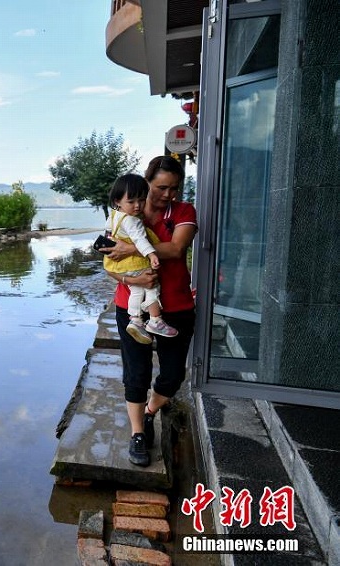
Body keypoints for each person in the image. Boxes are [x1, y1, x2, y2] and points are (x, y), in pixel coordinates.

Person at [101, 156, 197, 467]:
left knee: (172, 375)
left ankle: (151, 410)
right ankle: (138, 433)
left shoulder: (183, 212)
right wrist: (132, 277)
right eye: (161, 188)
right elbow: (108, 264)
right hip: (131, 306)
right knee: (136, 373)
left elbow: (178, 248)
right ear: (147, 182)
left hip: (177, 305)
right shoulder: (123, 215)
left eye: (174, 188)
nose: (168, 195)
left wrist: (131, 248)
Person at [103, 174, 179, 344]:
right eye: (131, 202)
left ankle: (135, 319)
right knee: (152, 286)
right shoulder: (132, 222)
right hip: (136, 262)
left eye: (141, 200)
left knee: (137, 289)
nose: (137, 206)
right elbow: (140, 240)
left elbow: (109, 231)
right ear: (117, 201)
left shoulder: (114, 215)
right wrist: (151, 254)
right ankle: (155, 320)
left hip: (122, 265)